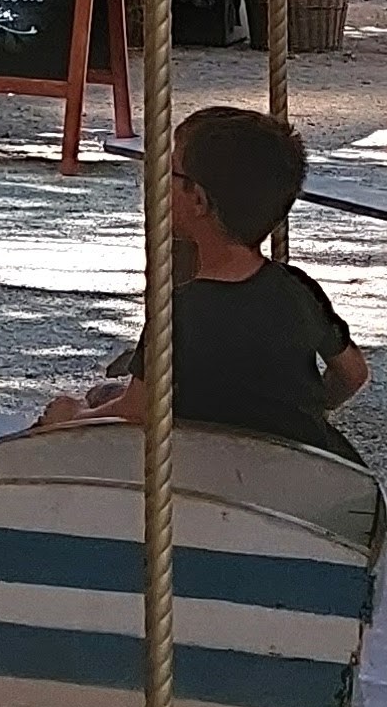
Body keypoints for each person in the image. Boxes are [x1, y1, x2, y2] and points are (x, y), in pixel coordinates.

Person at [45, 103, 369, 452]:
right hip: (301, 460)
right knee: (105, 393)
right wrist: (306, 411)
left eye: (170, 171)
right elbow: (353, 374)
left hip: (210, 460)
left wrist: (72, 416)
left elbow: (136, 410)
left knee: (77, 411)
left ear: (198, 200)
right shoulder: (298, 289)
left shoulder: (180, 309)